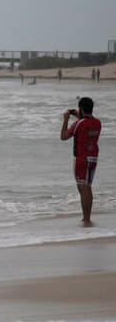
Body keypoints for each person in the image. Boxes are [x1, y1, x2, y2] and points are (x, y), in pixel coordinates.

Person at [61, 97, 101, 227]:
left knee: (82, 188)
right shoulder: (97, 123)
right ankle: (87, 217)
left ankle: (86, 219)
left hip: (81, 158)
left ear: (81, 109)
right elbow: (86, 122)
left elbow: (64, 136)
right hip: (93, 157)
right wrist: (78, 115)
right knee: (88, 187)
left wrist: (66, 120)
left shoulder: (79, 123)